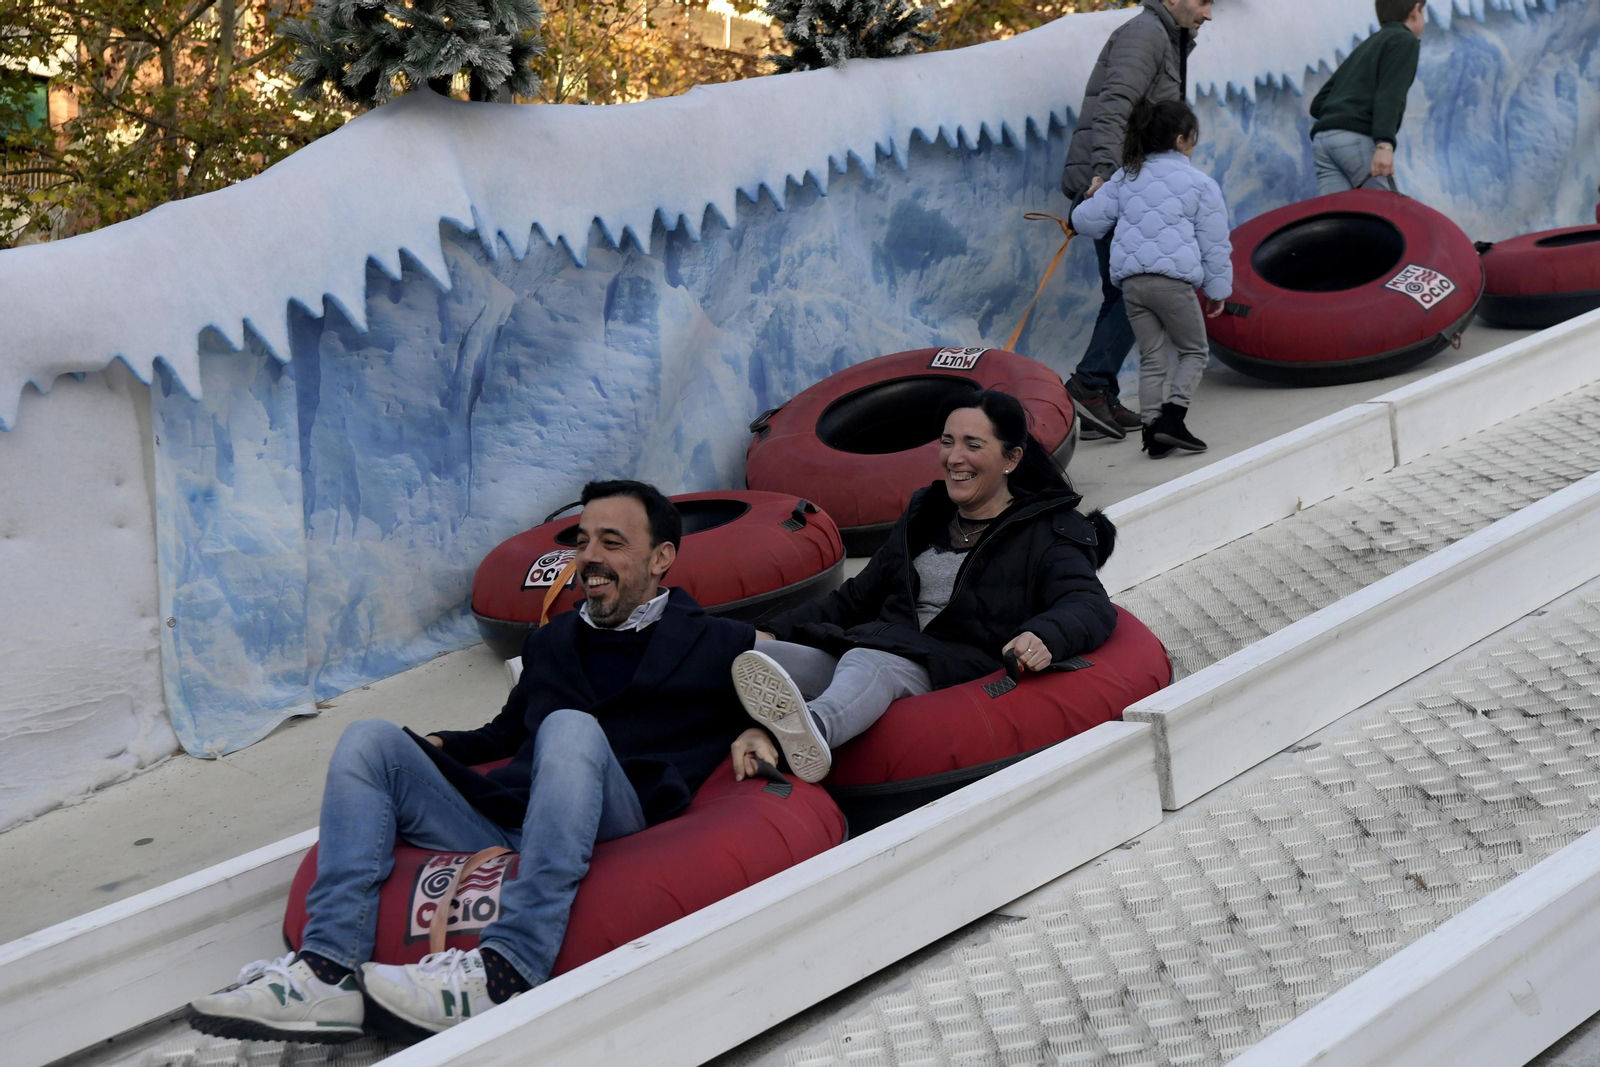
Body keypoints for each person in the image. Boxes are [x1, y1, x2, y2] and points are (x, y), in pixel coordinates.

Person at [188, 480, 777, 1040]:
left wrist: (759, 725)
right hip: (516, 815)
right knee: (369, 738)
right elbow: (504, 732)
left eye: (612, 542)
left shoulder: (718, 642)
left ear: (660, 558)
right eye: (582, 540)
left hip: (619, 815)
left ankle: (508, 968)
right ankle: (325, 970)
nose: (589, 556)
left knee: (570, 728)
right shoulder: (551, 641)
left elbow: (812, 672)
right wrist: (440, 747)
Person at [730, 390, 1119, 783]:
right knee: (758, 653)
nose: (954, 458)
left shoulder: (1047, 531)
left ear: (1011, 458)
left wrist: (1044, 634)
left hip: (947, 667)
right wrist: (771, 631)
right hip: (875, 648)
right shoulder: (925, 514)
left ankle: (808, 733)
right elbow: (855, 598)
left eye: (973, 445)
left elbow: (1088, 603)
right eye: (947, 442)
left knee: (868, 662)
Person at [1059, 0, 1214, 443]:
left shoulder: (1167, 36)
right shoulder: (1146, 33)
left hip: (1127, 180)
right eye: (1204, 2)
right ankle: (1088, 386)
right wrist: (1105, 175)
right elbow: (1115, 106)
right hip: (1112, 181)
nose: (1208, 14)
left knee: (1123, 289)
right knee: (1138, 282)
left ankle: (1098, 392)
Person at [1070, 98, 1232, 459]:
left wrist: (1092, 195)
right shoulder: (1199, 184)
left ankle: (1152, 433)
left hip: (1132, 285)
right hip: (1173, 283)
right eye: (1192, 136)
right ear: (1180, 141)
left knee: (1152, 357)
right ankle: (1172, 420)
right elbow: (1215, 242)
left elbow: (1084, 222)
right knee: (1193, 350)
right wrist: (1218, 289)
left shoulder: (1124, 177)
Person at [1309, 0, 1425, 195]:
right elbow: (1390, 94)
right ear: (1415, 10)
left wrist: (1338, 117)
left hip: (1323, 141)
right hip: (1354, 141)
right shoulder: (1405, 41)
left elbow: (1318, 103)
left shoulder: (1368, 44)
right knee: (1388, 215)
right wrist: (1384, 144)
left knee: (1339, 220)